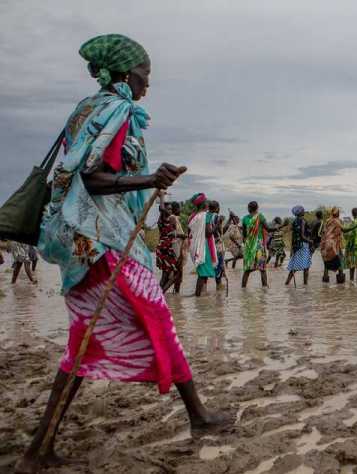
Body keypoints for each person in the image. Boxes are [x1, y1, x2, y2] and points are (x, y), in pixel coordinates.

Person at [23, 34, 224, 473]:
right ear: (124, 75)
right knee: (156, 318)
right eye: (143, 75)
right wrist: (151, 179)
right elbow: (92, 179)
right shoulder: (117, 110)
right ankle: (200, 417)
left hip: (82, 244)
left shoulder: (84, 110)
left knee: (83, 341)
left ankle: (38, 449)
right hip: (104, 242)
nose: (147, 85)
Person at [188, 193, 217, 297]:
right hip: (203, 247)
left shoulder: (192, 216)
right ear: (204, 204)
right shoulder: (206, 216)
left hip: (194, 247)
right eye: (207, 201)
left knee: (203, 273)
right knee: (202, 274)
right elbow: (208, 233)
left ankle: (200, 297)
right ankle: (197, 296)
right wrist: (217, 225)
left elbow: (190, 233)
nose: (208, 203)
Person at [241, 201, 269, 288]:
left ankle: (243, 290)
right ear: (257, 208)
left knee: (247, 270)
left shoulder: (245, 219)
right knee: (262, 269)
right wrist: (281, 226)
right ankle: (264, 291)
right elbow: (268, 228)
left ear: (248, 209)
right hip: (259, 246)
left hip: (249, 246)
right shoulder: (260, 217)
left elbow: (244, 235)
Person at [156, 200, 182, 292]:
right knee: (176, 273)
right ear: (163, 210)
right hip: (165, 248)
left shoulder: (166, 220)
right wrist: (161, 196)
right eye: (169, 209)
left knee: (165, 275)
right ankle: (161, 293)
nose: (171, 211)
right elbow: (162, 208)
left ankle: (159, 294)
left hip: (165, 248)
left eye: (171, 209)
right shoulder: (164, 219)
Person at [285, 206, 312, 286]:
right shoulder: (303, 221)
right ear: (300, 212)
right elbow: (303, 236)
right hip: (303, 246)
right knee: (306, 266)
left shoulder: (294, 221)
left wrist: (292, 248)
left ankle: (287, 283)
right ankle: (305, 284)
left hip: (296, 246)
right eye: (303, 210)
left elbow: (293, 236)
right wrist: (310, 241)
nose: (304, 211)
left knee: (294, 267)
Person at [320, 207, 345, 284]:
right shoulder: (339, 221)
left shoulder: (327, 221)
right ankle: (340, 279)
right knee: (339, 260)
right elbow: (341, 232)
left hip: (327, 243)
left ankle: (325, 279)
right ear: (338, 214)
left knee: (327, 261)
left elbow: (324, 232)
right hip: (336, 243)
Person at [208, 201, 227, 289]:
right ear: (217, 208)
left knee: (211, 265)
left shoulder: (206, 216)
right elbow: (220, 231)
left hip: (208, 244)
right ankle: (218, 286)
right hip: (217, 244)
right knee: (219, 265)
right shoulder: (216, 217)